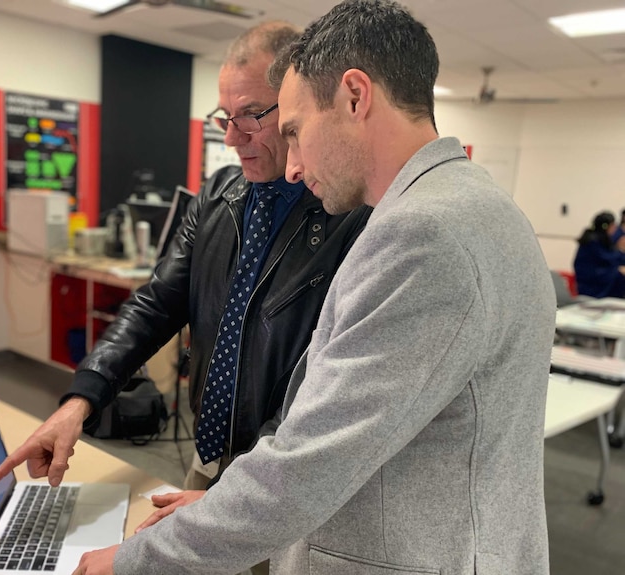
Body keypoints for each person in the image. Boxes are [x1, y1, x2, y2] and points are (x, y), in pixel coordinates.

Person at [71, 1, 556, 574]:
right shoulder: (473, 204)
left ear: (355, 97)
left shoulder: (423, 234)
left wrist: (129, 563)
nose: (293, 167)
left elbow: (306, 467)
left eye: (295, 131)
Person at [0, 15, 370, 537]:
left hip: (278, 479)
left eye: (252, 115)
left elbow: (327, 385)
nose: (234, 138)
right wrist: (80, 401)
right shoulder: (218, 195)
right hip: (207, 457)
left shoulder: (346, 214)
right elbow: (154, 305)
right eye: (224, 118)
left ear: (297, 106)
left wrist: (240, 494)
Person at [573, 210, 625, 298]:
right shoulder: (593, 241)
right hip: (591, 281)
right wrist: (620, 250)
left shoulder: (604, 238)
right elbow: (607, 258)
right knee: (618, 277)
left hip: (599, 275)